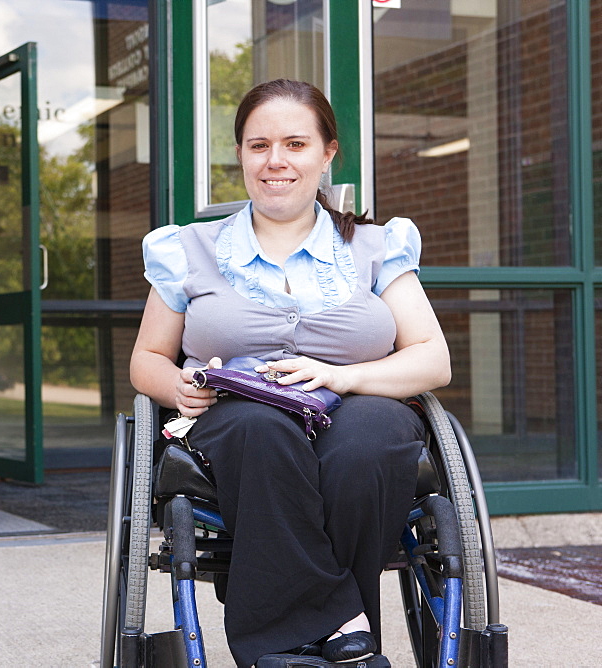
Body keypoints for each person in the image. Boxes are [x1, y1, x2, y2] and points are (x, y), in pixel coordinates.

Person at [129, 79, 451, 666]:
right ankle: (333, 631)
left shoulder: (377, 247)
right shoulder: (189, 249)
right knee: (263, 431)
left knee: (370, 443)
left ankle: (298, 636)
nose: (275, 161)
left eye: (295, 144)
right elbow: (146, 359)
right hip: (236, 417)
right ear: (241, 156)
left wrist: (343, 377)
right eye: (258, 146)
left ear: (328, 154)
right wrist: (176, 384)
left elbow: (433, 358)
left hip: (358, 403)